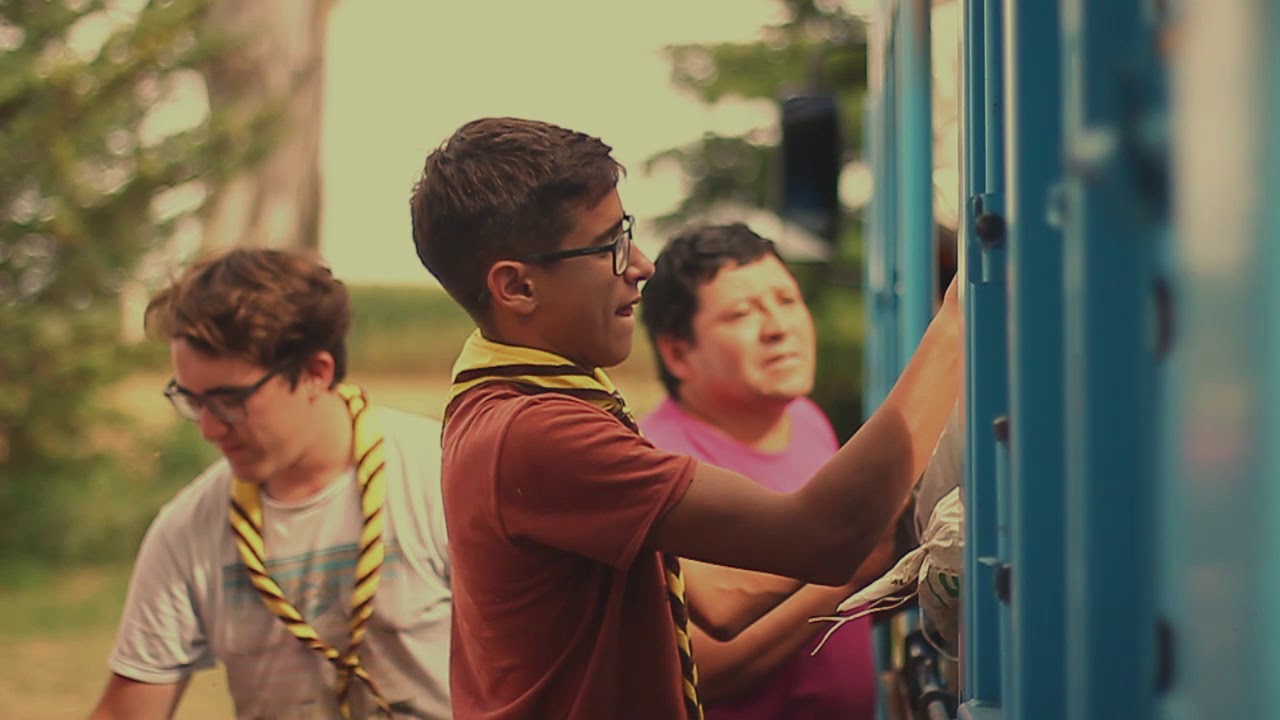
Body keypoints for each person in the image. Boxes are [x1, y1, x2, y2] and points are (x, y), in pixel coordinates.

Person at [409, 116, 960, 720]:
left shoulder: (519, 403)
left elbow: (720, 597)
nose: (641, 264)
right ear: (516, 287)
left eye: (630, 234)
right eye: (610, 247)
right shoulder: (539, 432)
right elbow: (821, 538)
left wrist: (878, 539)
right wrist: (962, 322)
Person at [88, 248, 452, 720]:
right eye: (192, 400)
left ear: (315, 374)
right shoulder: (188, 528)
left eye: (229, 400)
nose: (208, 429)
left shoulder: (442, 476)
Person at [639, 223, 894, 719]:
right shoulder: (660, 465)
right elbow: (701, 669)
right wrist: (847, 567)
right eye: (742, 313)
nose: (779, 327)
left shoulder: (805, 417)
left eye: (786, 299)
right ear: (677, 351)